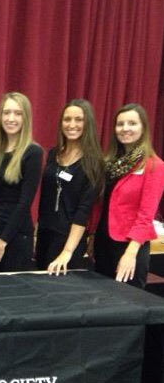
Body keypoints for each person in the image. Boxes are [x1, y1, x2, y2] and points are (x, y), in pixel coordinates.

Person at [94, 103, 164, 288]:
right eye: (120, 124)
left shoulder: (154, 166)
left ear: (143, 128)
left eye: (132, 123)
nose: (125, 128)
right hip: (103, 243)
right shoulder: (110, 163)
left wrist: (130, 253)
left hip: (129, 247)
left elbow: (145, 216)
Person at [36, 99, 104, 275]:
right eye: (67, 119)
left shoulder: (93, 162)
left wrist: (67, 252)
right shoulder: (53, 154)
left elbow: (83, 211)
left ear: (87, 123)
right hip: (45, 235)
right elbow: (45, 198)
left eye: (78, 119)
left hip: (67, 240)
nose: (72, 124)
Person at [0, 92, 43, 272]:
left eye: (17, 113)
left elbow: (24, 203)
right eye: (6, 113)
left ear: (26, 118)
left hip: (15, 237)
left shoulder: (33, 152)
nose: (11, 118)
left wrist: (2, 243)